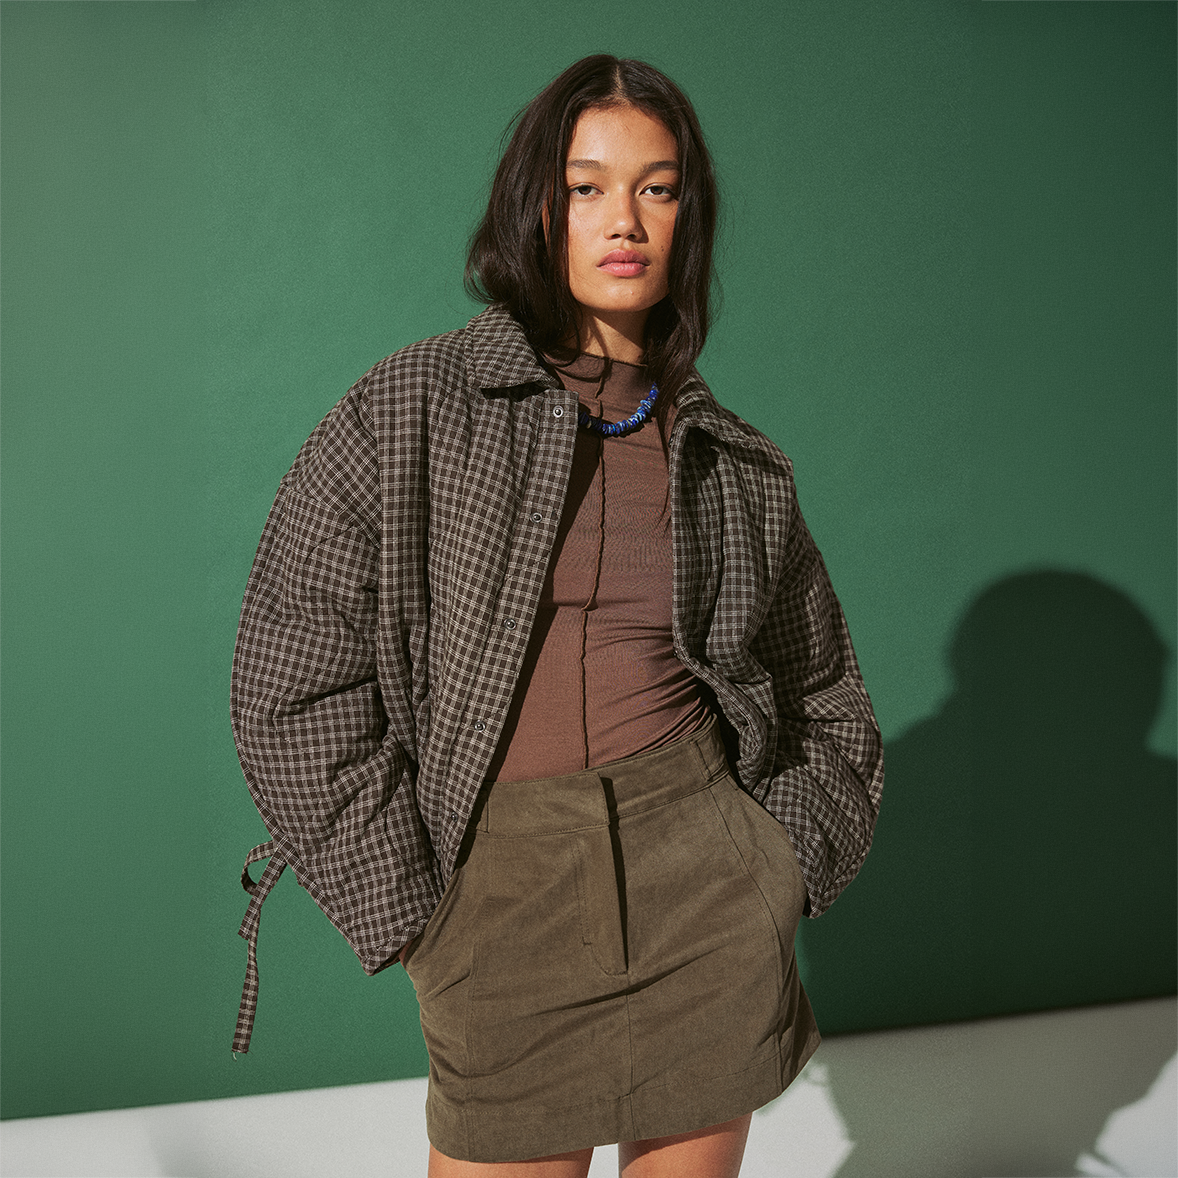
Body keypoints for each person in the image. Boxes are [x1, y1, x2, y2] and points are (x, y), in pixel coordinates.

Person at [230, 55, 883, 1177]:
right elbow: (288, 680)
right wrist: (416, 911)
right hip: (499, 895)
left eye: (656, 187)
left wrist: (773, 866)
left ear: (687, 216)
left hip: (703, 893)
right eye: (587, 187)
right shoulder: (410, 409)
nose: (624, 219)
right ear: (537, 207)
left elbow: (823, 692)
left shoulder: (734, 465)